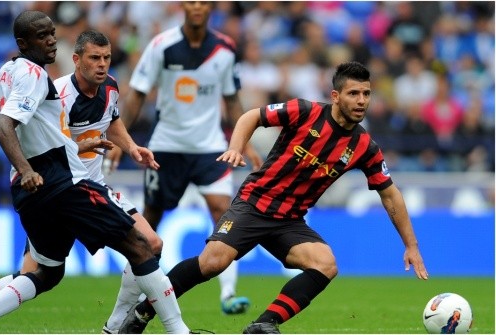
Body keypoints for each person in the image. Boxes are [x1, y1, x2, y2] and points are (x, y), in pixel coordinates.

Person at [118, 61, 429, 334]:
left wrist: (411, 245)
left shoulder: (364, 146)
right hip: (255, 204)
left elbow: (390, 195)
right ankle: (144, 310)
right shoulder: (305, 111)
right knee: (213, 263)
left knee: (326, 264)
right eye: (353, 94)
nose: (361, 101)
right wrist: (237, 147)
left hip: (290, 220)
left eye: (366, 94)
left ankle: (263, 324)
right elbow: (251, 116)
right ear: (336, 96)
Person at [0, 11, 189, 334]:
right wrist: (29, 167)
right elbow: (4, 126)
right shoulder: (42, 80)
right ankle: (169, 329)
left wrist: (128, 147)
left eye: (52, 33)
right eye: (43, 35)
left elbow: (104, 123)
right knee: (140, 246)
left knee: (45, 273)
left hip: (36, 190)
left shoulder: (10, 70)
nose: (51, 39)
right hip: (63, 181)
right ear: (24, 43)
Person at [106, 0, 263, 315]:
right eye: (191, 1)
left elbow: (232, 101)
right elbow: (137, 94)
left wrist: (244, 142)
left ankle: (228, 293)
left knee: (224, 213)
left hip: (210, 147)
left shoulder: (225, 49)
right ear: (182, 6)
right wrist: (117, 138)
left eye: (203, 3)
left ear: (210, 9)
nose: (197, 7)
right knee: (150, 220)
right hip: (167, 146)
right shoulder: (162, 45)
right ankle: (129, 298)